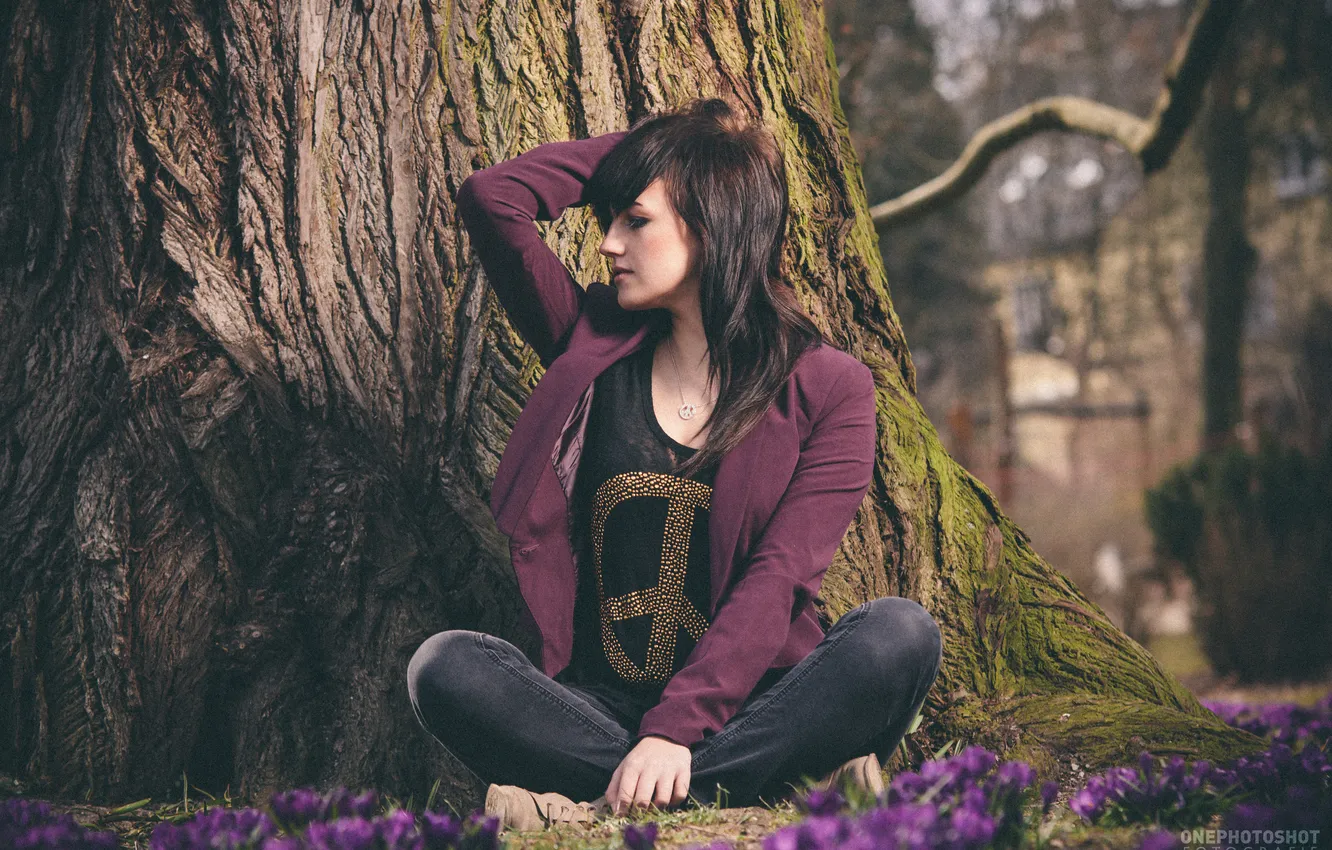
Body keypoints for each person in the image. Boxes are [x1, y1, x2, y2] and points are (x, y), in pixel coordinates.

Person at [407, 98, 943, 830]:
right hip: (606, 710)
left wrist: (674, 733)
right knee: (444, 667)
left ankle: (625, 798)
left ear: (711, 221)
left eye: (635, 220)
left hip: (762, 702)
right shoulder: (589, 345)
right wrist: (670, 148)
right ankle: (754, 790)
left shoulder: (828, 387)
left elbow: (779, 577)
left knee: (900, 635)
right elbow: (493, 199)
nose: (606, 244)